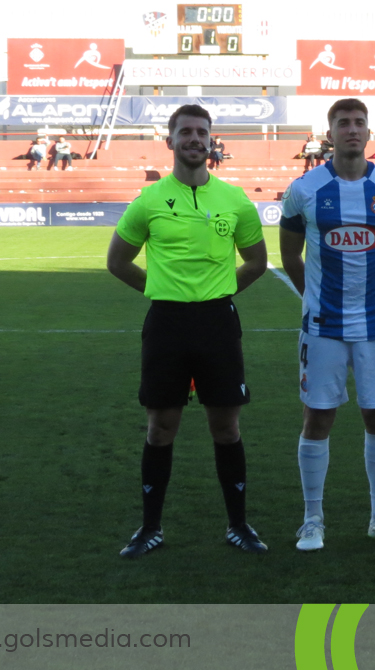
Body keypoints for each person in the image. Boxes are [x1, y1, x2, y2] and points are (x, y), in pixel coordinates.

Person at [107, 104, 270, 558]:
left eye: (202, 132)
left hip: (218, 322)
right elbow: (117, 262)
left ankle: (238, 525)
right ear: (171, 140)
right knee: (161, 427)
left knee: (226, 426)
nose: (194, 139)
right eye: (186, 132)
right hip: (167, 324)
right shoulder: (149, 200)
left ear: (211, 140)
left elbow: (256, 262)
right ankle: (150, 528)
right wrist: (160, 290)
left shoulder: (235, 200)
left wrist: (218, 291)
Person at [278, 98, 375, 552]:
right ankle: (311, 519)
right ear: (330, 132)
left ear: (368, 131)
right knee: (317, 417)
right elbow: (289, 255)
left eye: (359, 123)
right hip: (323, 326)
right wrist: (313, 298)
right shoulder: (305, 189)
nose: (352, 130)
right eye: (343, 123)